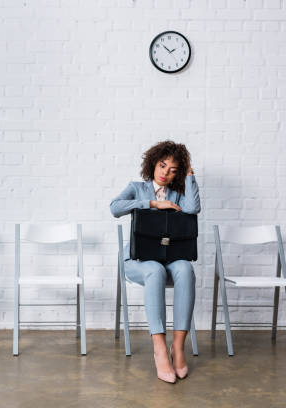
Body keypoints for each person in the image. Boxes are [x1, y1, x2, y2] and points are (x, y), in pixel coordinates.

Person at [110, 140, 201, 383]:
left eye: (173, 170)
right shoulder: (136, 188)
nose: (165, 173)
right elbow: (115, 208)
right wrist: (152, 203)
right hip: (138, 260)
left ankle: (178, 347)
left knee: (185, 268)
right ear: (153, 164)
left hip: (169, 258)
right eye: (162, 166)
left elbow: (193, 209)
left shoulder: (178, 194)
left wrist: (189, 174)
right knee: (154, 271)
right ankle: (159, 348)